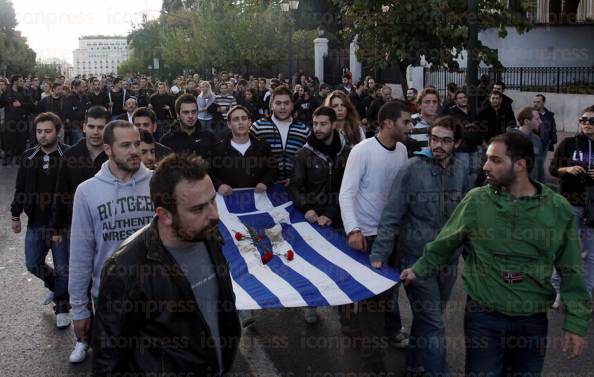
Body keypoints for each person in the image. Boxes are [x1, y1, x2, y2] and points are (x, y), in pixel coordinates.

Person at [402, 132, 591, 377]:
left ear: (520, 165)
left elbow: (571, 269)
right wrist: (419, 269)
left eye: (495, 160)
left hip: (532, 320)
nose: (485, 166)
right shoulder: (476, 201)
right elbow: (444, 243)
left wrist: (576, 322)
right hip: (484, 318)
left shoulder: (557, 209)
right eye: (487, 159)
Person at [92, 154, 241, 376]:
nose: (214, 215)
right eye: (197, 209)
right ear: (165, 215)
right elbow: (108, 363)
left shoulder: (207, 234)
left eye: (212, 200)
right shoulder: (126, 270)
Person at [370, 116, 469, 377]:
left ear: (456, 143)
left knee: (428, 320)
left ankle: (414, 365)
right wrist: (380, 253)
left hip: (448, 261)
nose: (438, 145)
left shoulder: (461, 170)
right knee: (434, 323)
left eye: (446, 140)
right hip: (415, 259)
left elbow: (465, 217)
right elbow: (392, 214)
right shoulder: (411, 169)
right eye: (434, 139)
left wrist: (470, 252)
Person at [68, 120, 154, 364]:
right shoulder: (87, 191)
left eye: (137, 143)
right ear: (108, 150)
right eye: (125, 145)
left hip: (155, 294)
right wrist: (80, 309)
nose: (135, 151)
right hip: (108, 298)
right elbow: (80, 254)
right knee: (114, 363)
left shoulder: (159, 184)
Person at [339, 100, 412, 369]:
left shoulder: (403, 150)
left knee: (385, 296)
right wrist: (354, 230)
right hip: (366, 237)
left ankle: (361, 332)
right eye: (406, 121)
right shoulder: (362, 151)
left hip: (391, 235)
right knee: (371, 301)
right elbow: (346, 193)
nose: (411, 126)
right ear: (388, 124)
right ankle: (373, 360)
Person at [289, 106, 351, 325]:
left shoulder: (347, 152)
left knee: (341, 263)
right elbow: (295, 186)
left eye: (323, 124)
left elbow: (348, 188)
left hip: (337, 217)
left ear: (333, 124)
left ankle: (345, 306)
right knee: (312, 264)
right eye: (315, 124)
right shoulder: (303, 154)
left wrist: (331, 214)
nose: (318, 128)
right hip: (312, 220)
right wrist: (307, 209)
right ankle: (311, 304)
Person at [10, 112, 70, 329]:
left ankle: (62, 307)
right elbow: (20, 188)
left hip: (62, 225)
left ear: (57, 131)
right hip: (36, 222)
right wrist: (15, 215)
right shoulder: (29, 156)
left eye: (47, 131)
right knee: (33, 263)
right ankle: (54, 285)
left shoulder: (68, 155)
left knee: (64, 267)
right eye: (39, 131)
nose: (43, 136)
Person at [549, 105, 594, 297]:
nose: (587, 124)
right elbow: (553, 169)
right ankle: (558, 289)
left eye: (591, 121)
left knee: (591, 254)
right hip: (570, 203)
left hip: (592, 207)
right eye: (583, 120)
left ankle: (586, 293)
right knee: (566, 249)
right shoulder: (569, 143)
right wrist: (567, 170)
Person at [209, 105, 277, 196]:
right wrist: (219, 185)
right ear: (229, 124)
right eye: (236, 119)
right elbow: (210, 174)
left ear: (249, 122)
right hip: (229, 200)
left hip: (259, 200)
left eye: (244, 118)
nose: (240, 122)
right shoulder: (218, 149)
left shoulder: (263, 146)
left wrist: (265, 182)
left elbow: (274, 169)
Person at [250, 86, 311, 184]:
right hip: (264, 189)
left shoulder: (304, 130)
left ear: (292, 105)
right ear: (271, 105)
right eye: (278, 103)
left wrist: (297, 179)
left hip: (295, 188)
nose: (283, 107)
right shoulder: (258, 127)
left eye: (286, 103)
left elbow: (309, 163)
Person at [447, 89, 482, 186]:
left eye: (464, 97)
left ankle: (470, 191)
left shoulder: (472, 111)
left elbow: (477, 127)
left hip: (473, 147)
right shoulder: (452, 112)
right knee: (463, 171)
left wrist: (480, 143)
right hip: (461, 148)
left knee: (475, 171)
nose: (463, 99)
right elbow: (456, 127)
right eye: (460, 98)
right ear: (456, 101)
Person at [0, 75, 35, 165]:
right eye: (20, 81)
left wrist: (21, 104)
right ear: (15, 82)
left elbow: (32, 106)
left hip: (22, 121)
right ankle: (7, 157)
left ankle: (20, 157)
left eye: (22, 80)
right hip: (9, 122)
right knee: (8, 140)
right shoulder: (6, 92)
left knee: (21, 140)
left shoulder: (25, 92)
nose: (22, 82)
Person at [512, 107, 544, 182]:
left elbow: (540, 164)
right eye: (537, 119)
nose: (540, 121)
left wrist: (542, 185)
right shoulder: (510, 139)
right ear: (526, 121)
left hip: (533, 185)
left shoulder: (537, 140)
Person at [63, 79, 91, 145]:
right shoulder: (69, 98)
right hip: (74, 126)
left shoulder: (85, 97)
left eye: (85, 86)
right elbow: (68, 114)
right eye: (83, 87)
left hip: (84, 125)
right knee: (80, 141)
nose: (85, 88)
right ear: (77, 87)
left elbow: (89, 109)